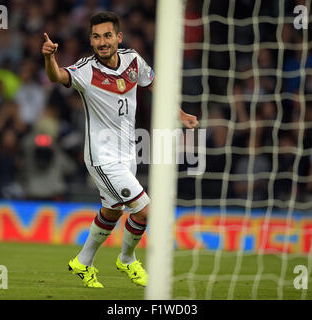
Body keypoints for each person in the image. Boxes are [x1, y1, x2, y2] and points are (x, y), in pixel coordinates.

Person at [42, 11, 198, 288]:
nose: (102, 42)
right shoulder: (85, 71)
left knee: (112, 211)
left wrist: (180, 114)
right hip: (103, 158)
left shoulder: (133, 60)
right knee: (145, 211)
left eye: (107, 35)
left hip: (129, 153)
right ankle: (127, 259)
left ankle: (82, 262)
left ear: (118, 37)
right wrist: (49, 58)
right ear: (90, 40)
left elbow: (154, 85)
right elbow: (57, 77)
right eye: (96, 37)